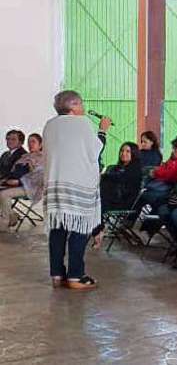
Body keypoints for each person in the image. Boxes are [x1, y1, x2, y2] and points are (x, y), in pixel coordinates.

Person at [44, 90, 110, 290]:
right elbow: (94, 152)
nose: (82, 108)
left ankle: (57, 274)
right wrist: (103, 130)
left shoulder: (50, 125)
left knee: (58, 229)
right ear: (73, 106)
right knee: (80, 228)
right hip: (78, 185)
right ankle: (75, 275)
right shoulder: (81, 124)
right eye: (81, 104)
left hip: (55, 184)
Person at [90, 142, 143, 247]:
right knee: (97, 201)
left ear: (134, 153)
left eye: (128, 151)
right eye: (122, 151)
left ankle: (98, 231)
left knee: (100, 200)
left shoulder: (135, 170)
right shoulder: (117, 168)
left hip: (124, 201)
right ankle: (98, 231)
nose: (124, 153)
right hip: (112, 198)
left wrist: (105, 176)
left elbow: (120, 179)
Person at [0, 133, 45, 230]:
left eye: (33, 141)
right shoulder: (25, 156)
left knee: (3, 194)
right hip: (18, 185)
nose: (30, 144)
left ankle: (4, 223)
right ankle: (12, 216)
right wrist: (6, 180)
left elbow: (39, 178)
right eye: (29, 142)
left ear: (40, 145)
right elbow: (14, 172)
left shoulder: (43, 158)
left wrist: (19, 181)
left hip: (31, 188)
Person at [137, 137, 177, 213]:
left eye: (175, 149)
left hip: (167, 187)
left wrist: (156, 173)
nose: (173, 151)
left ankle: (131, 218)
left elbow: (171, 176)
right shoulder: (174, 159)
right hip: (161, 182)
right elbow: (164, 168)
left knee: (143, 195)